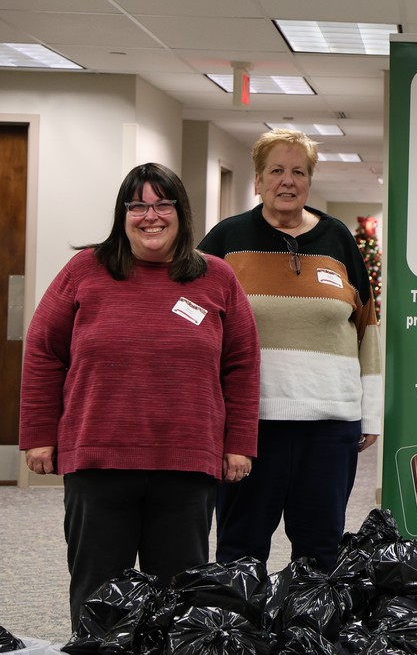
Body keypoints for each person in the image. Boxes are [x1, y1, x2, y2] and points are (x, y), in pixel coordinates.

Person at [19, 163, 260, 623]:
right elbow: (43, 350)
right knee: (98, 593)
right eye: (138, 205)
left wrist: (238, 445)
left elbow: (243, 366)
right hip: (98, 460)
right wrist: (38, 434)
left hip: (187, 464)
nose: (151, 216)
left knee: (179, 596)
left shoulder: (216, 277)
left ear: (181, 212)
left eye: (162, 204)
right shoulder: (84, 270)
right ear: (123, 214)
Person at [198, 128, 382, 572]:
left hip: (329, 424)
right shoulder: (226, 240)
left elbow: (367, 329)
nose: (288, 181)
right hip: (250, 426)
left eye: (299, 171)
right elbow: (195, 325)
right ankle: (239, 637)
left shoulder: (338, 239)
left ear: (309, 181)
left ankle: (309, 638)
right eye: (276, 170)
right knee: (240, 549)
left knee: (320, 553)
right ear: (258, 181)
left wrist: (370, 413)